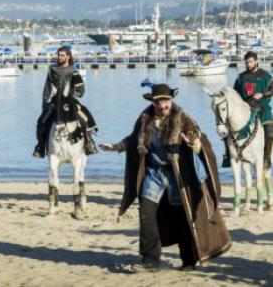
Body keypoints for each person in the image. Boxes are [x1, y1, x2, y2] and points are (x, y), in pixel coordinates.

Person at [99, 83, 231, 272]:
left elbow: (200, 140)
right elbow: (134, 138)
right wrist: (117, 147)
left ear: (171, 101)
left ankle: (188, 260)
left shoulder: (183, 118)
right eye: (160, 101)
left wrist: (194, 143)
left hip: (178, 176)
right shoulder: (145, 119)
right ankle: (151, 260)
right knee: (146, 213)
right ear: (153, 102)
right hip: (154, 174)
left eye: (166, 101)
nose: (163, 105)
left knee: (183, 217)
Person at [33, 46, 97, 158]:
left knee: (87, 119)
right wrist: (45, 104)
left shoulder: (74, 72)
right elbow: (47, 90)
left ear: (68, 56)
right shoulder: (52, 70)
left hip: (71, 102)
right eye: (58, 55)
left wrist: (70, 95)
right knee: (41, 122)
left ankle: (89, 143)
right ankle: (40, 147)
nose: (59, 57)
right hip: (54, 103)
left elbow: (81, 91)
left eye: (62, 55)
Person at [226, 51, 273, 168]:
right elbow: (235, 94)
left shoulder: (265, 76)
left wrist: (263, 94)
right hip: (245, 108)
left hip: (262, 107)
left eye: (250, 62)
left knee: (270, 131)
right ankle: (228, 155)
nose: (248, 64)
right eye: (247, 62)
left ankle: (266, 158)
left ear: (256, 61)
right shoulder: (241, 77)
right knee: (226, 128)